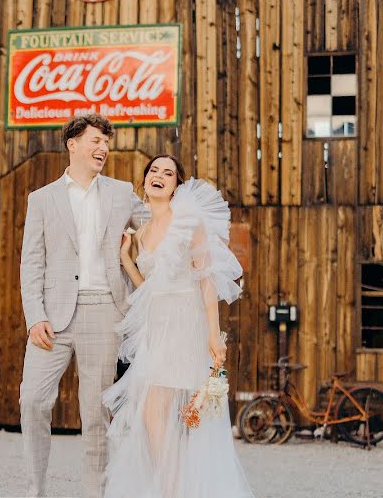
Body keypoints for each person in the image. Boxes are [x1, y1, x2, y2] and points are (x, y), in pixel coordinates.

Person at [103, 155, 254, 498]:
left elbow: (206, 281)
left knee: (154, 414)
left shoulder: (188, 221)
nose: (159, 176)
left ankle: (170, 490)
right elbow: (148, 292)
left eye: (168, 173)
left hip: (186, 325)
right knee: (159, 418)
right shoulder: (141, 233)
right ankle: (175, 487)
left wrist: (214, 335)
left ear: (176, 186)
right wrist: (127, 260)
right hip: (156, 327)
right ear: (145, 181)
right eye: (154, 171)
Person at [19, 114, 148, 498]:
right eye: (95, 140)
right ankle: (36, 491)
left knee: (95, 415)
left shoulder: (122, 192)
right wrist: (34, 316)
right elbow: (32, 262)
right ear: (72, 144)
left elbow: (155, 228)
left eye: (106, 142)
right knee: (32, 401)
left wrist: (190, 230)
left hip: (105, 311)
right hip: (51, 320)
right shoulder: (41, 199)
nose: (102, 148)